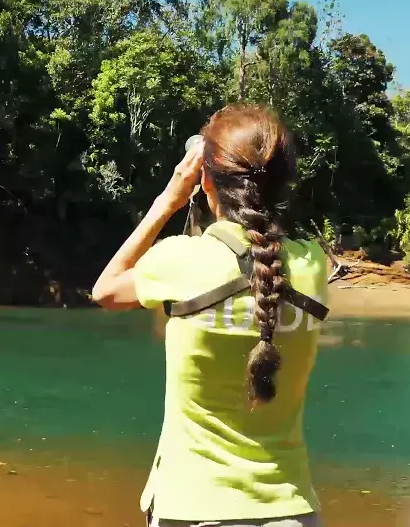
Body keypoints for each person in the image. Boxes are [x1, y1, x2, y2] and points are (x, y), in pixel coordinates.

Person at [92, 104, 329, 527]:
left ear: (205, 180)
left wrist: (168, 200)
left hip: (192, 507)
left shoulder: (181, 261)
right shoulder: (312, 264)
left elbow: (106, 289)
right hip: (291, 510)